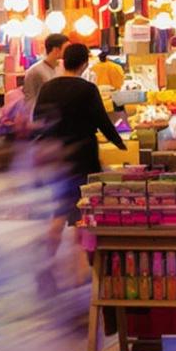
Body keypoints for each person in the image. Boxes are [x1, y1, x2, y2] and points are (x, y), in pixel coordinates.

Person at [35, 42, 122, 268]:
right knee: (85, 210)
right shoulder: (87, 89)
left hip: (58, 157)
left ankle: (46, 261)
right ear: (84, 63)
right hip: (83, 155)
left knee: (60, 211)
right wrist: (119, 143)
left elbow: (38, 122)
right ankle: (82, 267)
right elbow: (103, 122)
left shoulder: (48, 89)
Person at [20, 32, 69, 111]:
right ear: (56, 50)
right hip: (43, 115)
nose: (68, 52)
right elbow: (29, 99)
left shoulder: (63, 66)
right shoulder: (34, 71)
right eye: (66, 48)